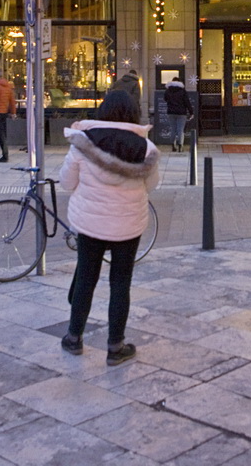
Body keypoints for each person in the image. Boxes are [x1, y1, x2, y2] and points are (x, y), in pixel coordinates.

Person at [57, 90, 160, 366]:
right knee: (120, 282)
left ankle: (73, 337)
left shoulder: (82, 142)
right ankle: (116, 346)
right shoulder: (146, 149)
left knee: (86, 278)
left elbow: (66, 182)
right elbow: (151, 186)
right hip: (128, 224)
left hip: (89, 224)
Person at [163, 76, 194, 152]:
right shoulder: (182, 91)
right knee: (180, 130)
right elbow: (187, 102)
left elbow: (165, 99)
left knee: (173, 129)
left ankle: (173, 145)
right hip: (181, 113)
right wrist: (191, 112)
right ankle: (180, 146)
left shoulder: (168, 91)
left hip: (171, 112)